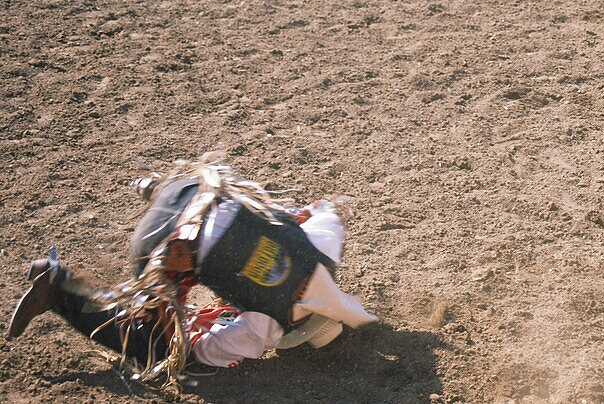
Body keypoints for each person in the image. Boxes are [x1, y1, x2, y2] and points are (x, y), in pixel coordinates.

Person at [7, 157, 378, 390]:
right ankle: (57, 289)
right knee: (156, 350)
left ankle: (159, 191)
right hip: (160, 247)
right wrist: (202, 325)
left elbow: (321, 210)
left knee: (241, 229)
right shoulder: (267, 328)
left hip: (198, 189)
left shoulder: (323, 249)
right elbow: (197, 351)